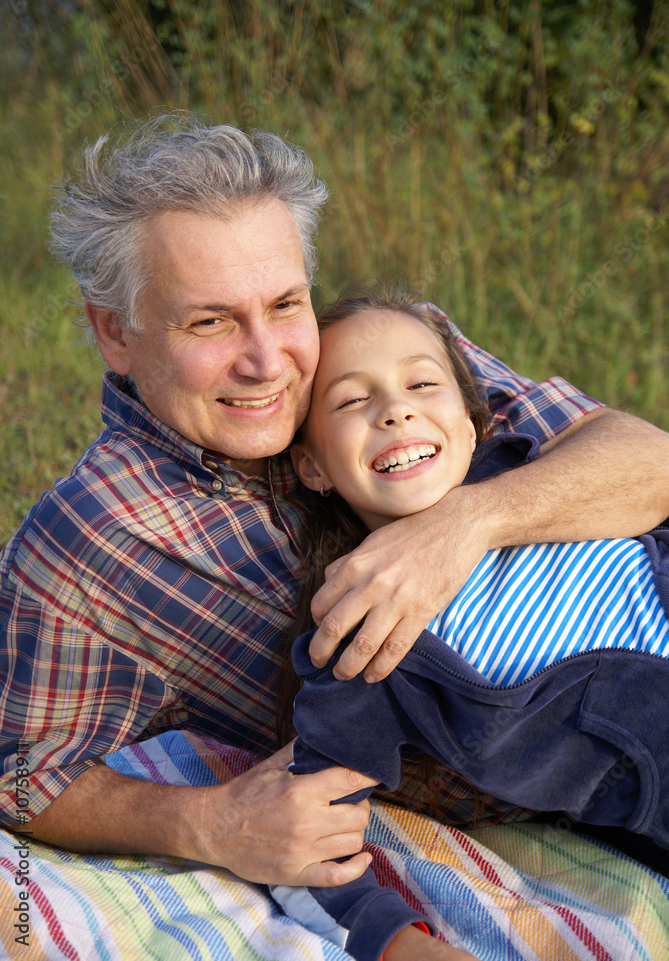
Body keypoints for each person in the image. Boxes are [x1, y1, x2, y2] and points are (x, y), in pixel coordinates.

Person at [1, 113, 669, 956]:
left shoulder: (379, 359)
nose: (268, 360)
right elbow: (22, 772)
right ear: (114, 331)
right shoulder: (91, 543)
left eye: (285, 304)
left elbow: (647, 461)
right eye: (209, 323)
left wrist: (465, 522)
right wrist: (204, 822)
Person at [272, 284, 669, 961]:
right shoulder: (365, 640)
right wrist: (400, 944)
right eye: (349, 400)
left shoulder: (544, 482)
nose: (394, 410)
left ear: (469, 420)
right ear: (311, 466)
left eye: (421, 384)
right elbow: (307, 832)